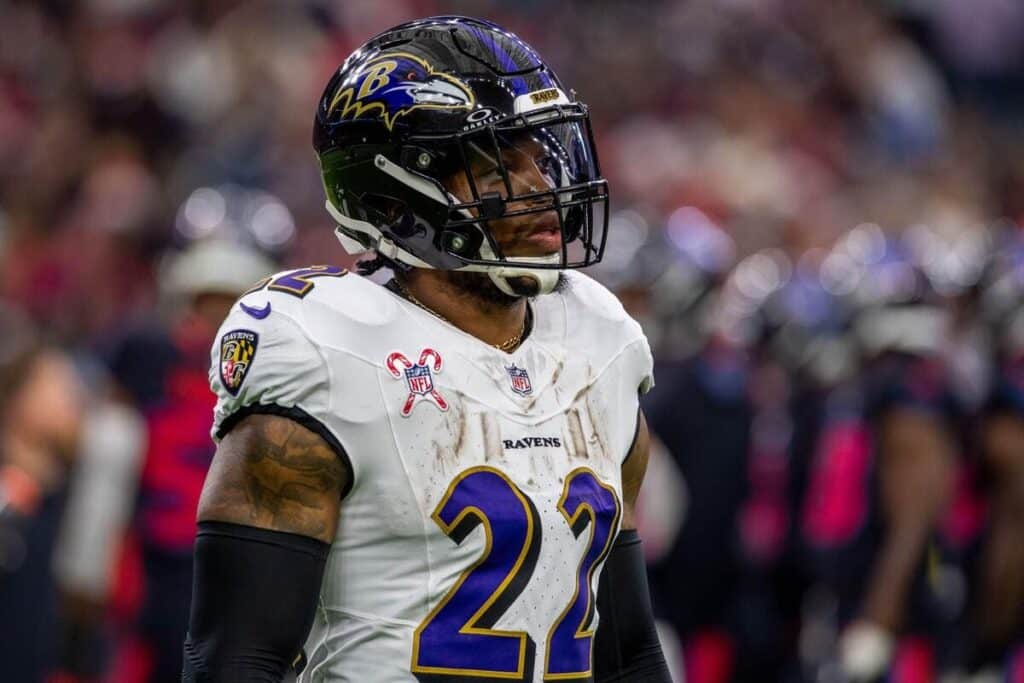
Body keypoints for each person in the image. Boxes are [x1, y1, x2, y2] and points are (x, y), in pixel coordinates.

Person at [182, 16, 671, 683]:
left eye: (539, 153)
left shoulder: (597, 341)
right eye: (496, 163)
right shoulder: (328, 350)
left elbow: (626, 653)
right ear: (395, 194)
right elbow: (237, 660)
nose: (540, 184)